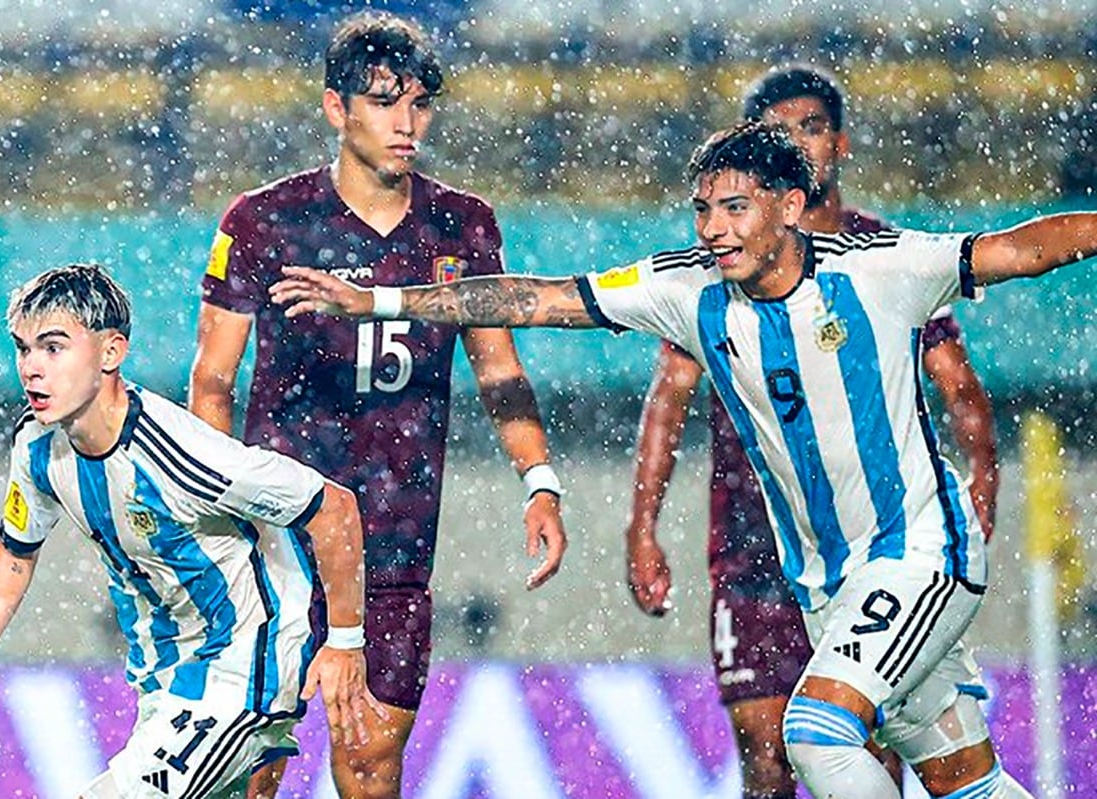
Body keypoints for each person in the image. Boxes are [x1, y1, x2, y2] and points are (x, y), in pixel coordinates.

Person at [265, 121, 1089, 797]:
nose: (713, 229)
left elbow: (1022, 248)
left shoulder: (882, 270)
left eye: (735, 207)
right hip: (828, 582)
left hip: (919, 550)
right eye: (702, 210)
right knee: (966, 783)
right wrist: (379, 299)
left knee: (818, 732)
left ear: (792, 206)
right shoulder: (687, 289)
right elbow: (538, 298)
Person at [188, 12, 567, 798]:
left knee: (370, 766)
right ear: (336, 109)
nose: (407, 121)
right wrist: (219, 509)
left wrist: (539, 477)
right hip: (279, 547)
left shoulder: (461, 224)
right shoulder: (264, 221)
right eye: (385, 101)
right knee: (247, 772)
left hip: (396, 545)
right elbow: (213, 380)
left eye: (421, 102)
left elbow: (498, 366)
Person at [623, 65, 997, 799]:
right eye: (778, 131)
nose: (797, 141)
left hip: (880, 540)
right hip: (757, 544)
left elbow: (960, 388)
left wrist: (982, 482)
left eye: (811, 127)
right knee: (769, 759)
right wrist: (643, 523)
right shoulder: (716, 269)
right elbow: (668, 397)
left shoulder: (881, 258)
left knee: (851, 738)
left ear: (838, 144)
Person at [0, 264, 383, 799]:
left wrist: (345, 643)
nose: (31, 368)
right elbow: (13, 552)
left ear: (110, 353)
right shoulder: (37, 449)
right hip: (164, 678)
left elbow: (332, 508)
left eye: (53, 348)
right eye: (23, 349)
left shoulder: (182, 452)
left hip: (242, 664)